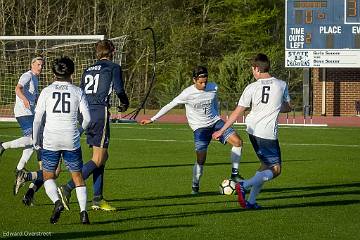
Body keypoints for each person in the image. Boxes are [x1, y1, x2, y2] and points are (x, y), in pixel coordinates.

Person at [141, 66, 243, 194]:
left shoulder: (213, 87)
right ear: (194, 80)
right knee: (201, 160)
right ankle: (195, 186)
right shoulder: (187, 93)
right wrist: (153, 119)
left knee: (238, 142)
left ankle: (234, 174)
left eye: (205, 81)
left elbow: (215, 102)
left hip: (215, 122)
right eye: (201, 82)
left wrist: (217, 115)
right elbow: (170, 105)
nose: (204, 84)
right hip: (200, 128)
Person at [212, 53, 292, 209]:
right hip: (267, 133)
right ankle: (243, 185)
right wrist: (276, 106)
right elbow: (288, 107)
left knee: (264, 167)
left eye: (252, 70)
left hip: (253, 130)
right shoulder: (281, 84)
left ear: (257, 68)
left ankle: (252, 201)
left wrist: (222, 130)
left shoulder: (251, 87)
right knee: (276, 169)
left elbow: (238, 111)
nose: (252, 73)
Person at [58, 39, 129, 211]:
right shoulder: (113, 67)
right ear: (111, 51)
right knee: (98, 158)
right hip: (99, 113)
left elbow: (81, 92)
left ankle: (97, 199)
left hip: (86, 114)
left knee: (102, 157)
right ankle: (67, 188)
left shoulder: (88, 69)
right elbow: (119, 90)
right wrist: (125, 103)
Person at [32, 56, 91, 224]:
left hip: (50, 140)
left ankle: (57, 203)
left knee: (48, 176)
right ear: (72, 72)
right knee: (78, 177)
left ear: (53, 73)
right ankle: (84, 213)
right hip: (71, 139)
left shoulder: (46, 91)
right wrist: (78, 131)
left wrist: (36, 140)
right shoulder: (77, 91)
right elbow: (87, 119)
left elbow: (37, 120)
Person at [0, 57, 44, 194]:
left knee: (33, 142)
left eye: (42, 65)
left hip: (29, 112)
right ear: (32, 65)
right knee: (33, 139)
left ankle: (19, 169)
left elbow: (33, 97)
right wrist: (25, 100)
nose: (40, 67)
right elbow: (17, 89)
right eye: (38, 64)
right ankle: (3, 146)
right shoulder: (27, 75)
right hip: (23, 112)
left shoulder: (35, 79)